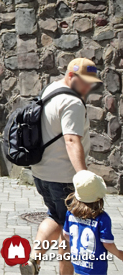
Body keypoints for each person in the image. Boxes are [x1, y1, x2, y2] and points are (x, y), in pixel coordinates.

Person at [22, 59, 98, 275]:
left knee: (55, 216)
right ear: (72, 77)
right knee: (71, 229)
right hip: (64, 177)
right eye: (85, 82)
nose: (88, 88)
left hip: (41, 172)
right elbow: (71, 141)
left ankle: (34, 260)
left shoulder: (51, 89)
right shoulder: (72, 102)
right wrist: (83, 176)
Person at [63, 170, 123, 274]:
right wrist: (119, 254)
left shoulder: (71, 213)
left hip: (78, 262)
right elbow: (107, 243)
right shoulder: (102, 218)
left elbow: (66, 234)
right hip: (95, 267)